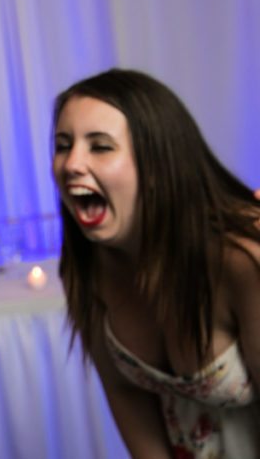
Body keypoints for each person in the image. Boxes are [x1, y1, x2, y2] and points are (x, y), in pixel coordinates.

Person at [53, 69, 259, 457]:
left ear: (156, 166)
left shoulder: (241, 260)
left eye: (99, 146)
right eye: (63, 145)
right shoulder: (85, 271)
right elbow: (130, 409)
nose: (71, 164)